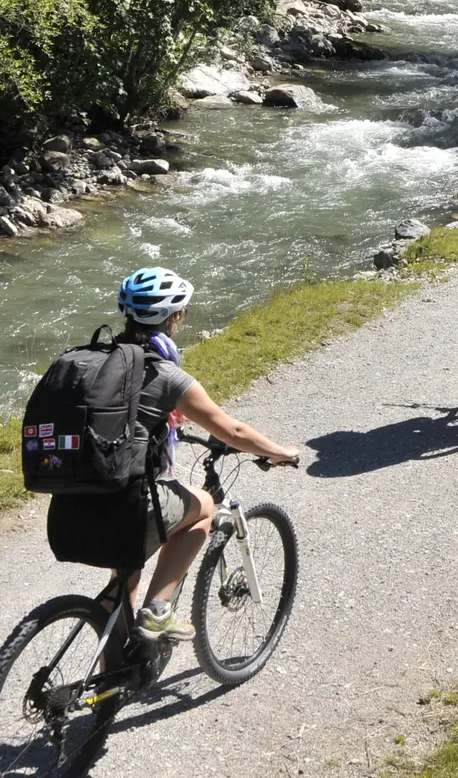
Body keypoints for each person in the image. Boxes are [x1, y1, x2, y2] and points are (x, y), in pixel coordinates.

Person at [112, 267, 301, 641]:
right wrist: (280, 452)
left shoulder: (103, 358)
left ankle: (107, 684)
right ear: (174, 317)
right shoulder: (165, 374)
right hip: (128, 498)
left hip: (79, 496)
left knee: (119, 585)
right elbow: (232, 431)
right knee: (203, 509)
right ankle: (158, 611)